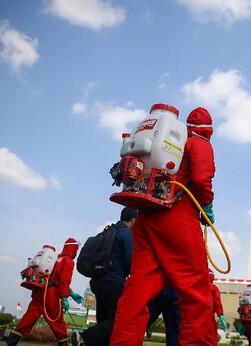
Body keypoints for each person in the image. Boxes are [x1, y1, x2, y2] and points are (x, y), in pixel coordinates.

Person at [111, 106, 218, 345]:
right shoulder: (197, 143)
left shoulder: (164, 138)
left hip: (146, 216)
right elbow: (201, 179)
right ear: (209, 129)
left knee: (138, 288)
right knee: (196, 291)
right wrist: (207, 204)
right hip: (178, 216)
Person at [8, 238, 83, 346]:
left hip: (39, 291)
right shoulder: (68, 262)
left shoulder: (56, 258)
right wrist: (65, 297)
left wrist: (71, 293)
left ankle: (11, 341)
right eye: (76, 249)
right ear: (73, 249)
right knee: (57, 322)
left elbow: (53, 279)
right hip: (51, 296)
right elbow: (63, 282)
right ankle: (64, 344)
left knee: (29, 318)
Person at [81, 208, 136, 346]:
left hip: (98, 280)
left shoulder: (109, 230)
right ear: (133, 220)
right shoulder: (126, 233)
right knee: (117, 319)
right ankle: (84, 337)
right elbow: (129, 260)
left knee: (103, 319)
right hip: (114, 282)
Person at [209, 269, 227, 336]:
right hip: (209, 318)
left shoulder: (196, 287)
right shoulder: (214, 289)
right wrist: (221, 316)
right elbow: (217, 304)